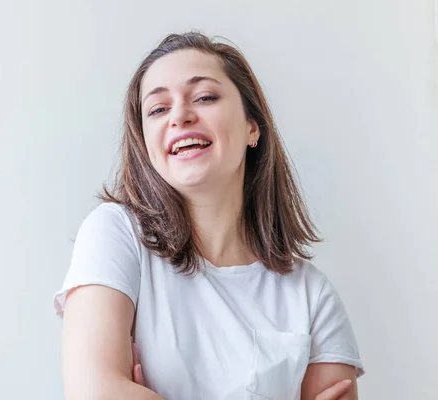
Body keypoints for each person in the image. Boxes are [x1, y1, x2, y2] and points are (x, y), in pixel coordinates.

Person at [53, 31, 365, 400]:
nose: (180, 116)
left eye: (204, 97)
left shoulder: (313, 296)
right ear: (146, 142)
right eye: (157, 109)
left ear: (253, 126)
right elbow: (95, 392)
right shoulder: (115, 234)